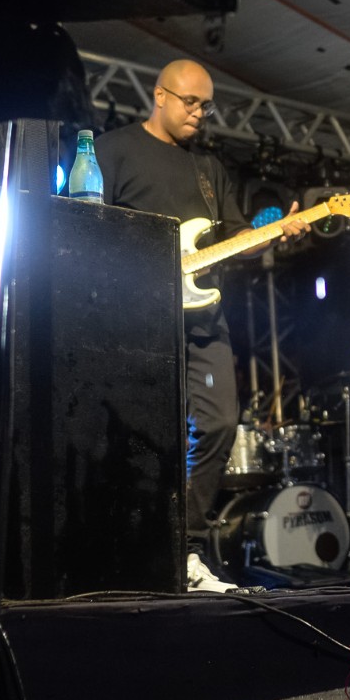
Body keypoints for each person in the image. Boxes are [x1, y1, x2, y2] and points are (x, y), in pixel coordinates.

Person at [97, 59, 310, 592]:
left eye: (206, 105)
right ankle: (130, 547)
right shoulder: (112, 149)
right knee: (139, 435)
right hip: (136, 316)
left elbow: (234, 242)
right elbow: (88, 227)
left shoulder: (208, 169)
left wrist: (276, 231)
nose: (199, 113)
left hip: (203, 319)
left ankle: (185, 549)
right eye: (189, 101)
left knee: (217, 422)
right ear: (159, 95)